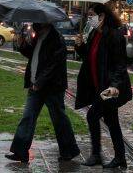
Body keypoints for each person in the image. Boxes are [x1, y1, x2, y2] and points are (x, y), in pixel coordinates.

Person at [5, 22, 80, 164]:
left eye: (37, 21)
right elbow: (32, 55)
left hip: (52, 87)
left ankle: (69, 151)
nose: (33, 24)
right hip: (36, 86)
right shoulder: (39, 36)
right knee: (28, 117)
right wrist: (21, 43)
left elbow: (53, 65)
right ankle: (20, 152)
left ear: (46, 22)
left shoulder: (56, 39)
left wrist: (40, 82)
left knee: (59, 119)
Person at [74, 3, 132, 169]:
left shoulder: (114, 35)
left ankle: (96, 154)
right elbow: (89, 58)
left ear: (102, 16)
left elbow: (120, 65)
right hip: (98, 86)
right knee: (112, 121)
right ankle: (119, 157)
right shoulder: (94, 34)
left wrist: (114, 86)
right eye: (88, 15)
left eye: (91, 15)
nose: (88, 18)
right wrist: (80, 46)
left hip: (110, 88)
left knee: (92, 115)